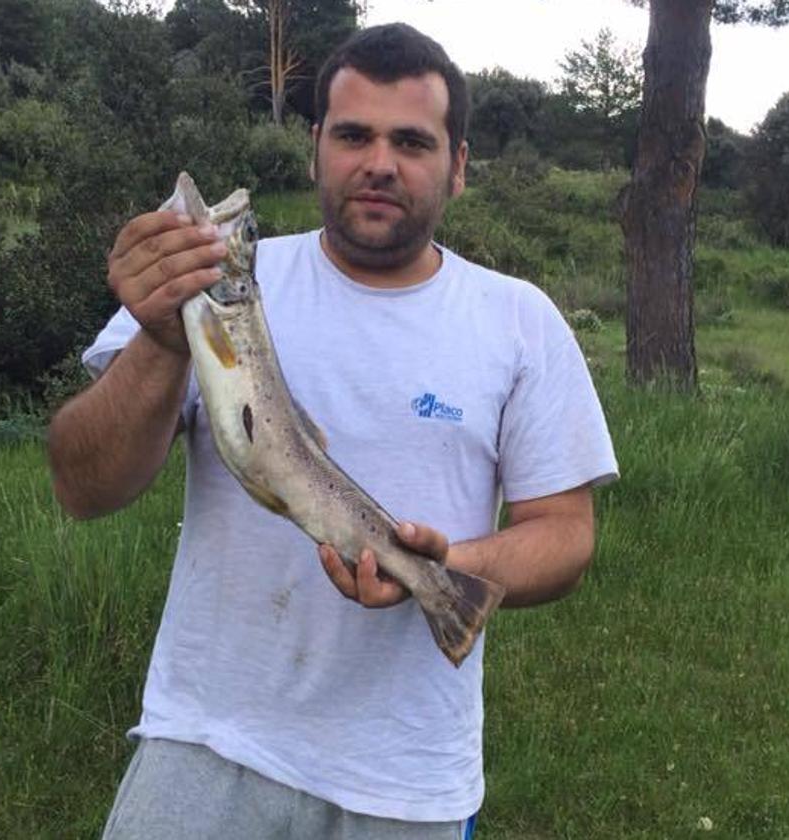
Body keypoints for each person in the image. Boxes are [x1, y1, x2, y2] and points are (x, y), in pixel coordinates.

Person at [47, 22, 617, 840]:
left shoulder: (519, 320)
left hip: (403, 778)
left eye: (412, 141)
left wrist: (446, 567)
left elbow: (565, 537)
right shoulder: (207, 290)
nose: (379, 162)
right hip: (206, 739)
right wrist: (163, 340)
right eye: (353, 135)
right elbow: (82, 486)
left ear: (457, 166)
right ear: (315, 148)